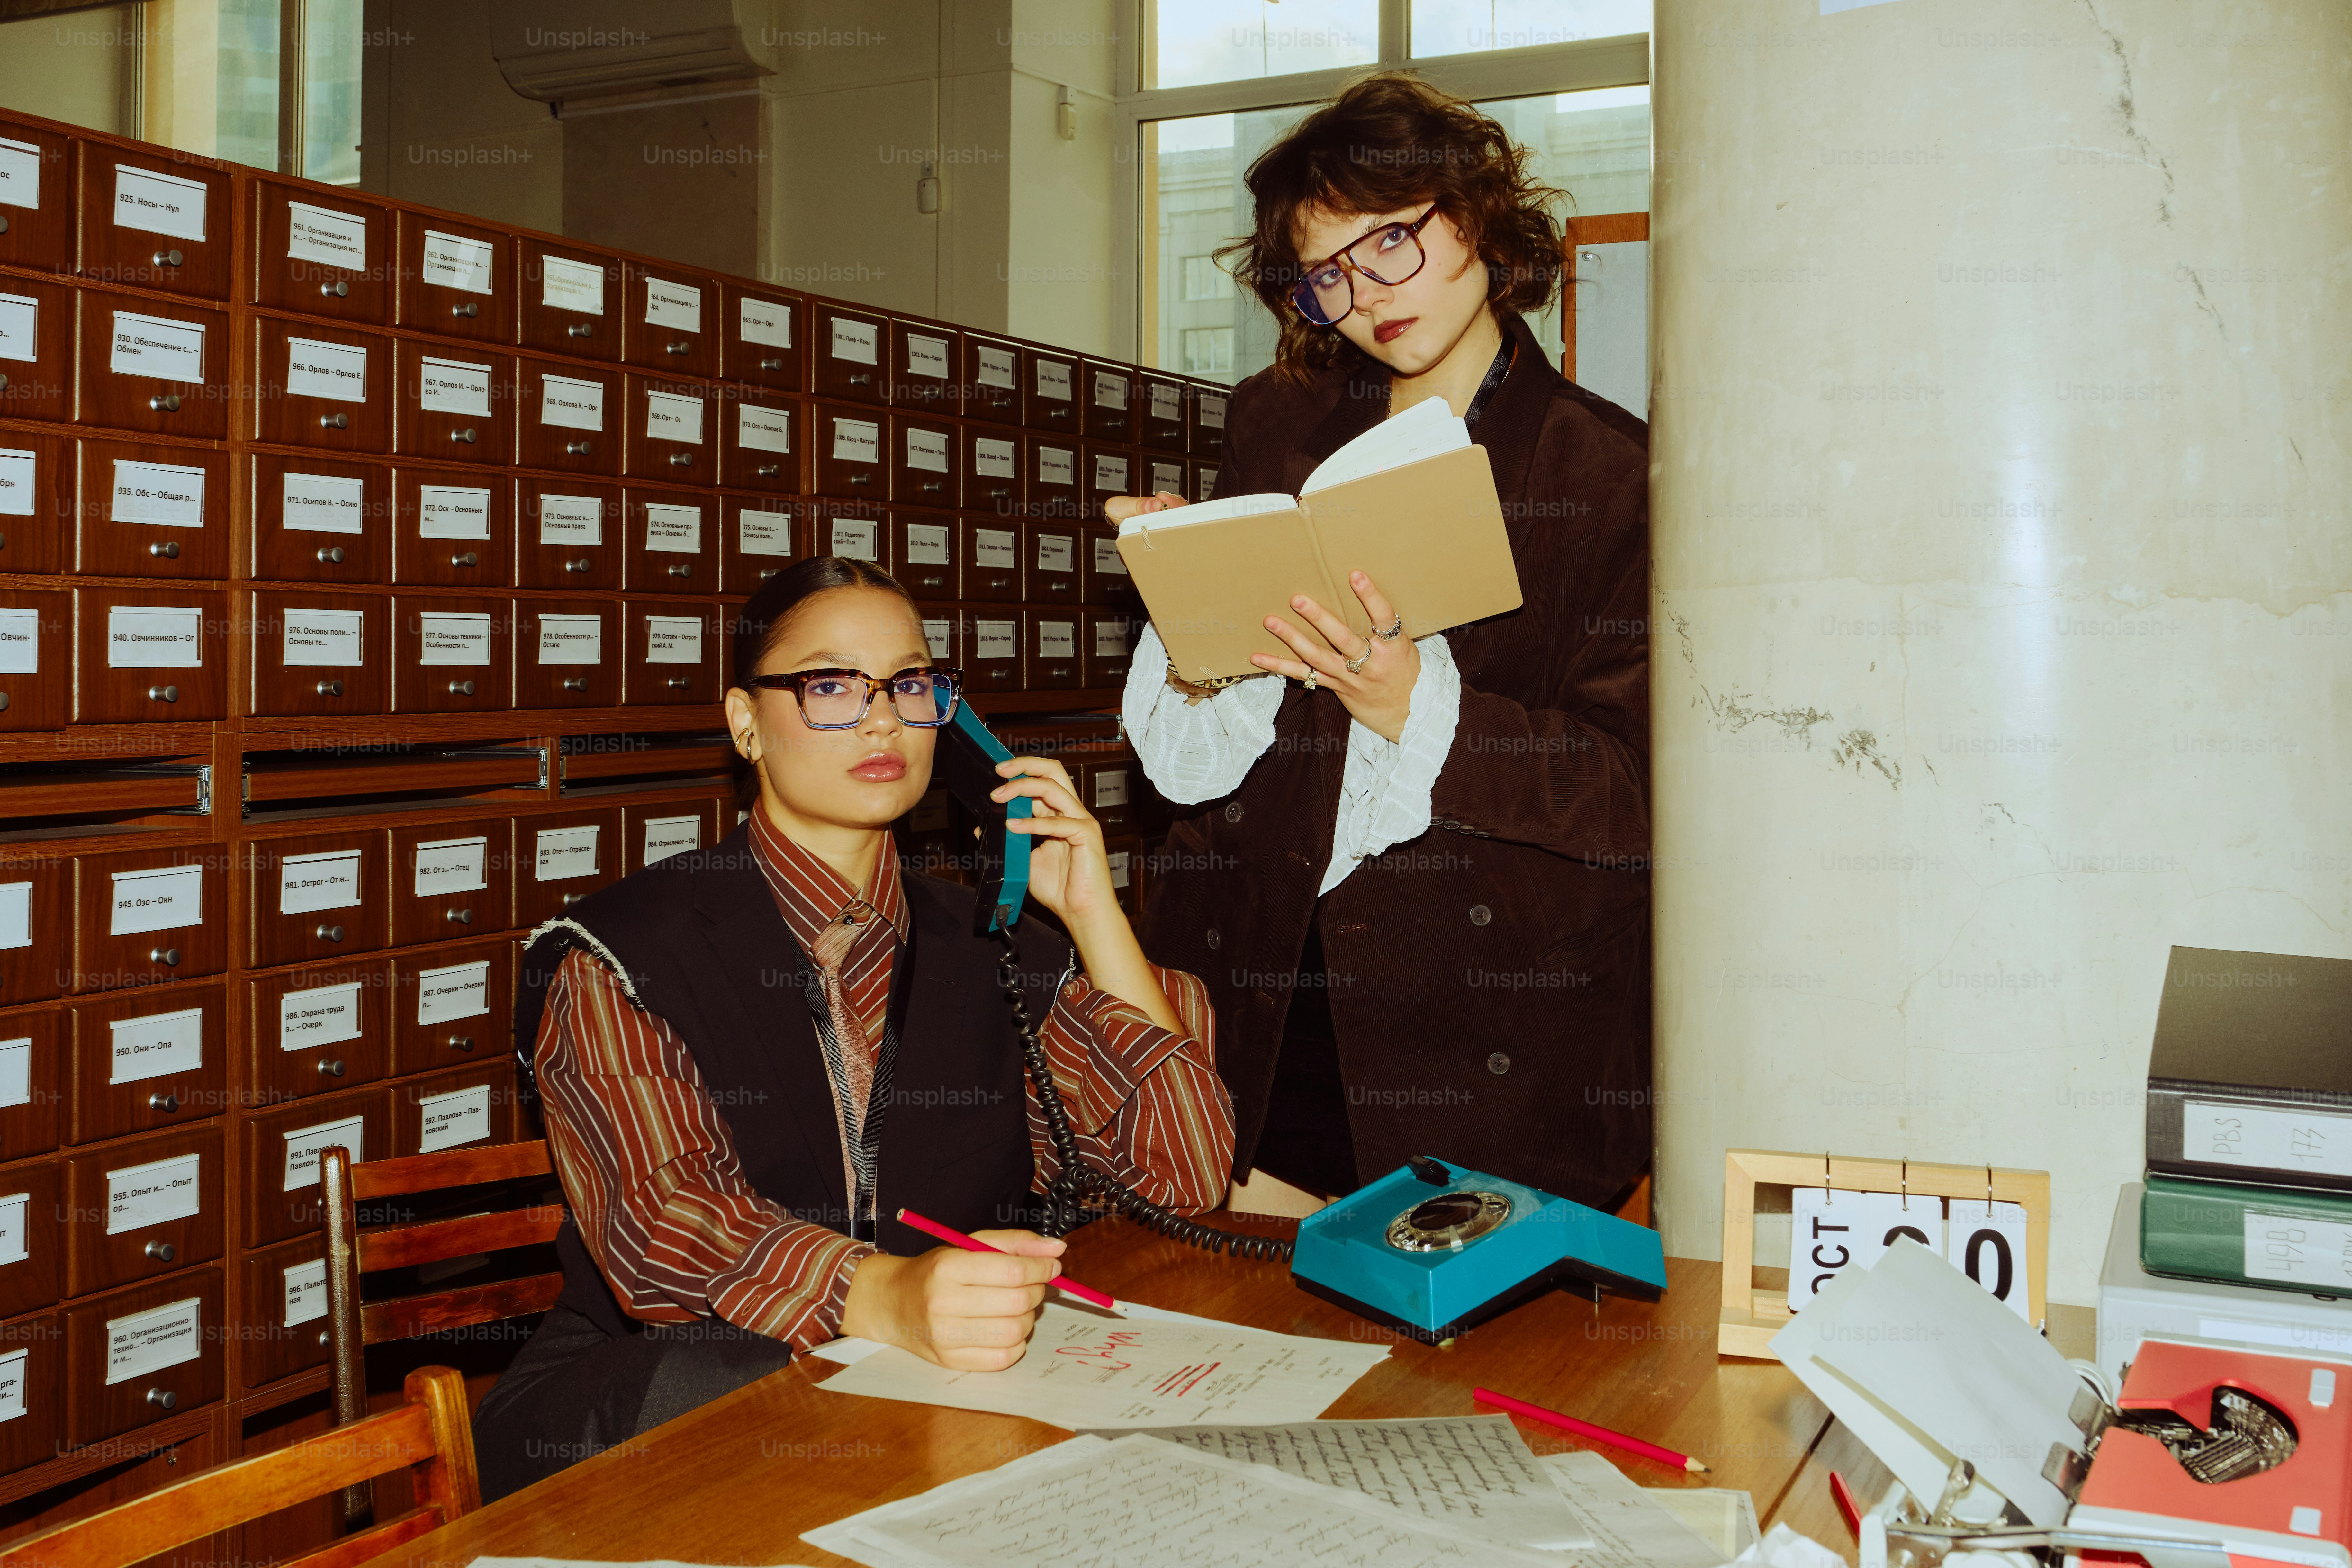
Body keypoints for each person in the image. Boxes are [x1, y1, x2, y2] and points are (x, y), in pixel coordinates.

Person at [474, 556, 1233, 1500]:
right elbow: (664, 1229)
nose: (882, 718)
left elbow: (1187, 1171)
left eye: (910, 685)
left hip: (915, 1400)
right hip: (660, 1404)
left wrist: (1093, 917)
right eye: (830, 685)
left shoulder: (987, 944)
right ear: (746, 722)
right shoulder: (621, 955)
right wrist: (886, 1296)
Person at [1113, 73, 1650, 1215]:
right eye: (1328, 273)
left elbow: (1628, 790)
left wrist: (1414, 703)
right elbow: (1221, 718)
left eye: (1392, 241)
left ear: (1479, 219)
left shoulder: (1605, 471)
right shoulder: (1275, 418)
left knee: (1454, 1383)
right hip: (1260, 993)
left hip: (1481, 1023)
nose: (1365, 294)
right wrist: (1191, 604)